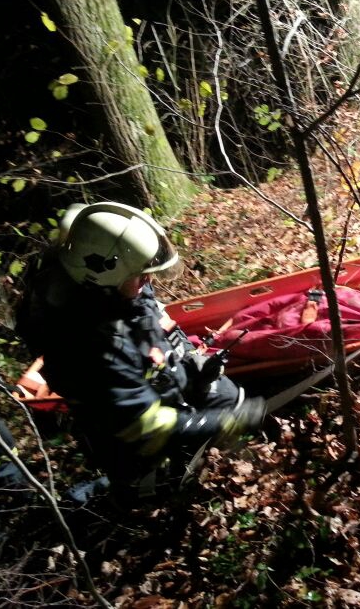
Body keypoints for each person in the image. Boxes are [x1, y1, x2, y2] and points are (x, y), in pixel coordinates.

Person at [16, 202, 270, 501]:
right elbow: (145, 424)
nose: (148, 281)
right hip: (129, 424)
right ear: (102, 276)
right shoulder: (88, 346)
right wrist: (224, 421)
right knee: (157, 482)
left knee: (228, 396)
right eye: (141, 275)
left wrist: (189, 361)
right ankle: (124, 489)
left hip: (155, 378)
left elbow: (153, 320)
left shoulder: (118, 284)